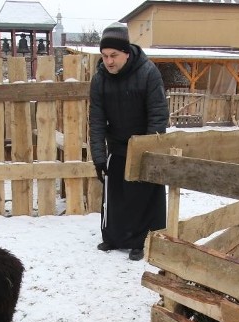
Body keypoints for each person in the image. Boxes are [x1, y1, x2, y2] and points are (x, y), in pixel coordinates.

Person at [89, 22, 170, 261]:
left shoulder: (148, 72)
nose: (109, 61)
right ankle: (114, 237)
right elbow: (96, 120)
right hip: (117, 146)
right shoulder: (100, 80)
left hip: (143, 144)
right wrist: (99, 157)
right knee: (115, 196)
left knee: (141, 195)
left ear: (126, 52)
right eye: (104, 56)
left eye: (114, 55)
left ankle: (140, 240)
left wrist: (148, 151)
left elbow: (157, 114)